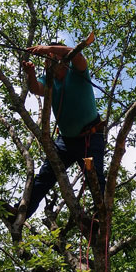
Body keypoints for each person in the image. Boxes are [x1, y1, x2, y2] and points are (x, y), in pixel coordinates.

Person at [19, 42, 106, 219]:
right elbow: (36, 88)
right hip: (65, 141)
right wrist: (31, 74)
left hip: (90, 136)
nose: (48, 62)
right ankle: (21, 211)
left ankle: (101, 218)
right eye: (47, 60)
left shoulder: (77, 72)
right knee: (44, 177)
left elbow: (76, 55)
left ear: (63, 60)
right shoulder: (48, 80)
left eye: (52, 58)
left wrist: (48, 48)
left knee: (95, 178)